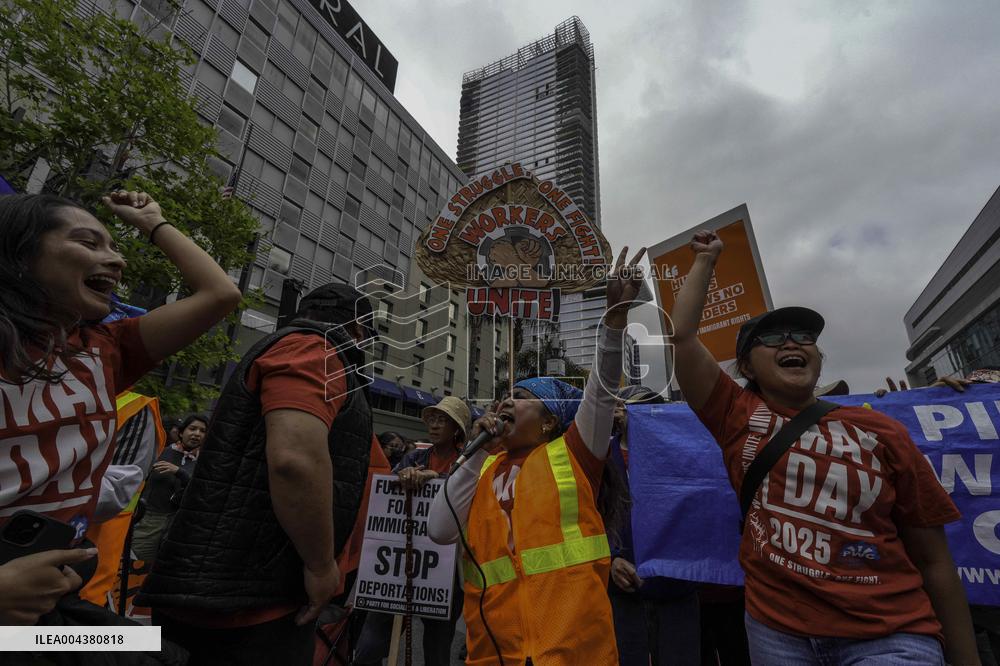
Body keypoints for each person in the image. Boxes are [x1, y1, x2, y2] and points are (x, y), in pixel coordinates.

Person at [669, 229, 980, 665]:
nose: (791, 342)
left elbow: (933, 559)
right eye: (771, 339)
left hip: (890, 636)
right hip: (778, 636)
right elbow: (682, 337)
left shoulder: (882, 430)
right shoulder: (735, 415)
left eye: (803, 336)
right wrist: (706, 260)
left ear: (817, 359)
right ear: (746, 368)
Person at [0, 190, 241, 626]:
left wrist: (152, 222)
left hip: (51, 603)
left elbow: (220, 293)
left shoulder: (106, 349)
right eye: (88, 243)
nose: (116, 261)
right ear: (19, 253)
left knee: (157, 647)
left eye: (114, 247)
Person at [138, 282, 378, 666]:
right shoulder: (312, 349)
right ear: (358, 330)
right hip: (245, 603)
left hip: (238, 588)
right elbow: (294, 461)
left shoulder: (306, 350)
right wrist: (320, 565)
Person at [428, 247, 647, 665]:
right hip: (494, 653)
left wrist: (615, 318)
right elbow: (439, 530)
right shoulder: (482, 466)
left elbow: (600, 391)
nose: (505, 402)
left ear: (549, 421)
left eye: (522, 396)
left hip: (571, 652)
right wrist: (474, 455)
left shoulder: (574, 455)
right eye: (504, 396)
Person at [354, 396, 471, 666]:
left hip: (446, 570)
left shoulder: (467, 463)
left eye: (443, 420)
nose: (435, 425)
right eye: (433, 419)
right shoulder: (414, 457)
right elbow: (386, 491)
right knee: (370, 644)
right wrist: (402, 478)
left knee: (437, 647)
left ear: (457, 429)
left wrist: (436, 478)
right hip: (399, 563)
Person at [605, 385, 701, 666]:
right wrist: (611, 558)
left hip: (676, 587)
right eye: (633, 407)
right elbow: (590, 515)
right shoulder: (602, 457)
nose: (646, 413)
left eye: (651, 407)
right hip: (623, 587)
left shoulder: (681, 454)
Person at [131, 414, 207, 562]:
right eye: (192, 428)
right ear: (181, 432)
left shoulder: (204, 463)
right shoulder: (161, 452)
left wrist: (179, 472)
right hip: (151, 519)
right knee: (138, 562)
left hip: (180, 524)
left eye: (202, 431)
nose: (197, 434)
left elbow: (201, 490)